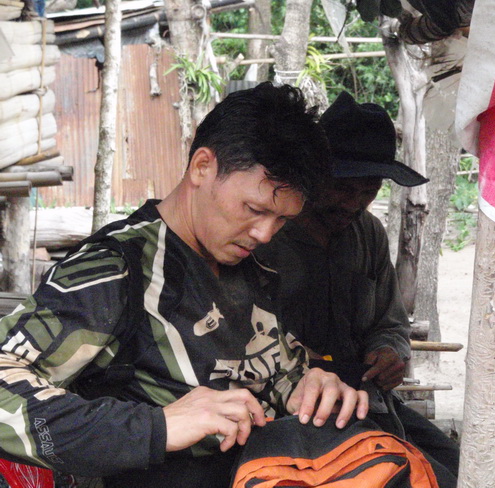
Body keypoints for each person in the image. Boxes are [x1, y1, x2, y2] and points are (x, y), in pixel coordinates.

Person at [0, 83, 368, 488]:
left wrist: (309, 387)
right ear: (202, 167)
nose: (265, 234)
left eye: (281, 219)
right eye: (253, 209)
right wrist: (156, 427)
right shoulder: (116, 271)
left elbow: (275, 370)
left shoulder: (250, 270)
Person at [255, 91, 460, 487]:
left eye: (369, 190)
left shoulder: (370, 234)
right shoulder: (266, 235)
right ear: (315, 174)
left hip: (366, 400)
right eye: (343, 187)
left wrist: (390, 352)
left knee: (453, 465)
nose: (354, 203)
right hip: (290, 404)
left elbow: (390, 322)